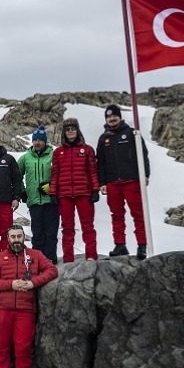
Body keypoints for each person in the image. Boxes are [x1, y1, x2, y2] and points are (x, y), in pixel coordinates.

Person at [0, 225, 58, 368]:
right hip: (4, 309)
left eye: (19, 236)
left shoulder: (35, 255)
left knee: (23, 351)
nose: (16, 240)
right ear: (8, 238)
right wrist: (11, 284)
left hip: (25, 311)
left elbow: (52, 270)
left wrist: (33, 283)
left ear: (24, 237)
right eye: (13, 237)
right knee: (1, 349)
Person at [96, 104, 151, 260]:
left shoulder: (132, 133)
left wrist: (145, 174)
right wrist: (103, 182)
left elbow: (143, 154)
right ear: (106, 119)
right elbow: (100, 162)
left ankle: (142, 245)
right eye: (109, 117)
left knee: (138, 214)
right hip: (113, 182)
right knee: (116, 214)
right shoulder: (103, 138)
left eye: (114, 116)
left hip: (131, 180)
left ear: (119, 117)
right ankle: (120, 244)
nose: (112, 119)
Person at [49, 119, 101, 262]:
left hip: (84, 193)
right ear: (64, 132)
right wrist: (53, 192)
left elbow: (92, 171)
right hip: (64, 195)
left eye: (73, 128)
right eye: (67, 129)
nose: (70, 131)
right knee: (67, 228)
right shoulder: (58, 152)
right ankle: (68, 259)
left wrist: (95, 190)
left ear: (78, 130)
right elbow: (55, 174)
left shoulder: (87, 149)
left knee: (88, 226)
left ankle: (91, 256)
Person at [17, 125, 59, 264]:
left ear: (45, 141)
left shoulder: (54, 155)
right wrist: (22, 191)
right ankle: (37, 260)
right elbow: (15, 176)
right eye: (35, 140)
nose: (37, 143)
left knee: (51, 233)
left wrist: (51, 186)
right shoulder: (25, 158)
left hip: (51, 201)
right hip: (34, 201)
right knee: (38, 233)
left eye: (40, 140)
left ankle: (50, 259)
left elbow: (62, 175)